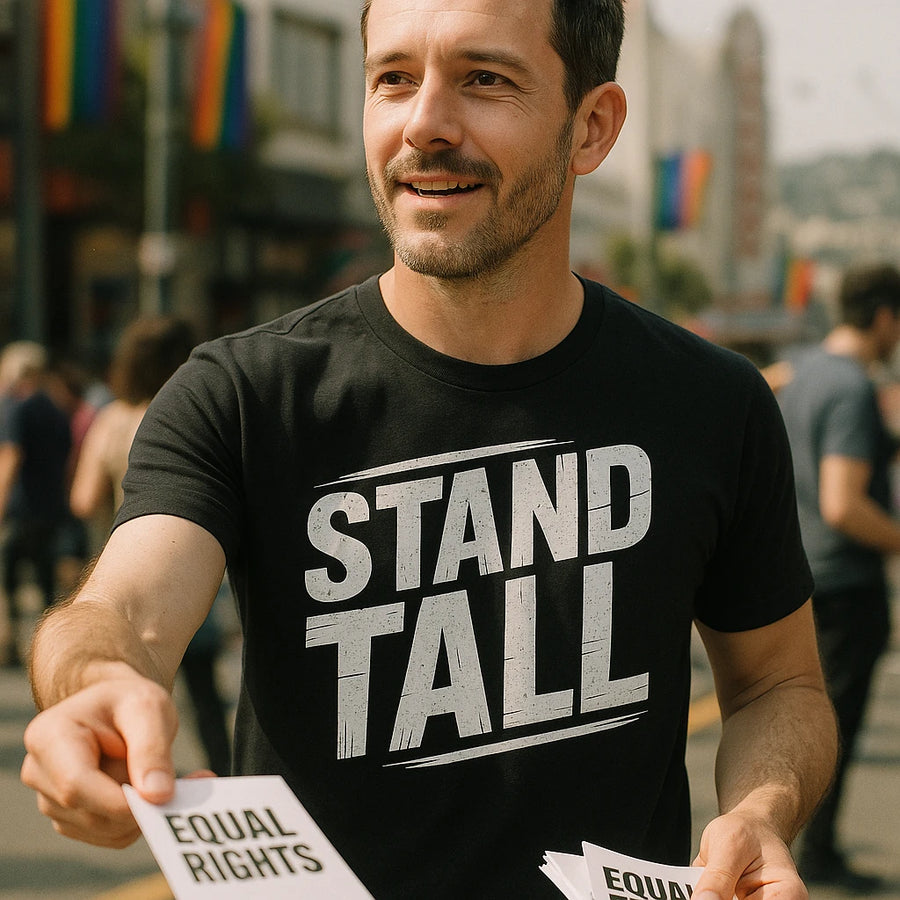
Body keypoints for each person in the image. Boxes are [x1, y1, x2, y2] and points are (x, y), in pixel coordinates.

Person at [21, 2, 836, 898]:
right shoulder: (243, 393)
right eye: (393, 79)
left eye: (485, 80)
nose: (424, 124)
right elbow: (124, 609)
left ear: (591, 127)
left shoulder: (713, 402)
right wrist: (95, 680)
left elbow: (774, 685)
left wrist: (761, 811)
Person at [778, 262, 900, 892]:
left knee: (791, 717)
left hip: (797, 574)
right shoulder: (852, 387)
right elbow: (843, 503)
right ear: (882, 317)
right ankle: (816, 855)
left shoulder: (799, 370)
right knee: (834, 727)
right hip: (846, 585)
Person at [69, 316, 232, 777]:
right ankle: (224, 773)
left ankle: (139, 771)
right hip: (197, 566)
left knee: (137, 684)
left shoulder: (112, 420)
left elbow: (83, 500)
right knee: (204, 693)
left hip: (127, 566)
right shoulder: (200, 413)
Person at [0, 342, 72, 667]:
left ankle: (12, 646)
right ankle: (47, 649)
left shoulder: (18, 408)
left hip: (21, 508)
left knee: (9, 581)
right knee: (46, 584)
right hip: (50, 508)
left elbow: (12, 457)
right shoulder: (57, 411)